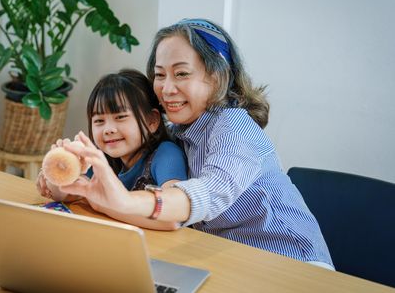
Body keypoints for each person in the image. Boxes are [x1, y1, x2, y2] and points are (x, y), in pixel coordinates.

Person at [43, 18, 334, 269]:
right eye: (159, 75)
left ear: (217, 76)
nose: (167, 88)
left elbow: (208, 192)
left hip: (295, 265)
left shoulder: (234, 125)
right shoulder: (178, 129)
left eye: (181, 73)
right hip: (229, 260)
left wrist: (124, 201)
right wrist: (71, 177)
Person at [37, 68, 188, 230]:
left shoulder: (166, 154)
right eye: (99, 121)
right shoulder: (100, 156)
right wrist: (57, 173)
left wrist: (102, 205)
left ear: (152, 121)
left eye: (120, 117)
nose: (108, 129)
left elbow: (172, 220)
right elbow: (68, 195)